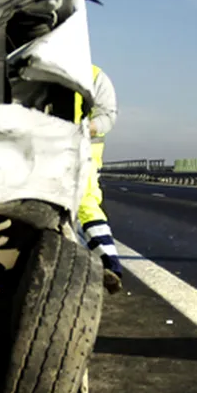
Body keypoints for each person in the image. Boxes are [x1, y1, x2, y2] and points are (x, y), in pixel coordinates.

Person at [75, 64, 124, 294]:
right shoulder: (32, 65)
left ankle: (110, 266)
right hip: (43, 153)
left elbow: (107, 116)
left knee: (86, 205)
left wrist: (84, 129)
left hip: (83, 155)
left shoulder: (94, 75)